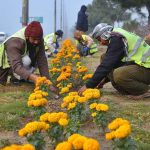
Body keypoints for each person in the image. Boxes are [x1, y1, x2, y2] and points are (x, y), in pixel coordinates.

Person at [78, 23, 150, 99]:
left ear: (104, 35)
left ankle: (145, 91)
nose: (101, 43)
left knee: (119, 74)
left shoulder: (117, 39)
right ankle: (125, 89)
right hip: (140, 64)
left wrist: (89, 85)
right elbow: (111, 62)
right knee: (104, 57)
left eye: (99, 39)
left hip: (147, 67)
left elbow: (106, 65)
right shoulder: (116, 34)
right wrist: (104, 80)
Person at [0, 21, 57, 92]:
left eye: (38, 40)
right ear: (27, 36)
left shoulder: (38, 39)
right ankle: (16, 78)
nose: (36, 42)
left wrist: (48, 81)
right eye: (34, 39)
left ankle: (23, 78)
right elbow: (17, 66)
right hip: (5, 65)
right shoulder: (15, 42)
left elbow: (42, 60)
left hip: (16, 62)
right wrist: (35, 78)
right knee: (26, 60)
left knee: (41, 56)